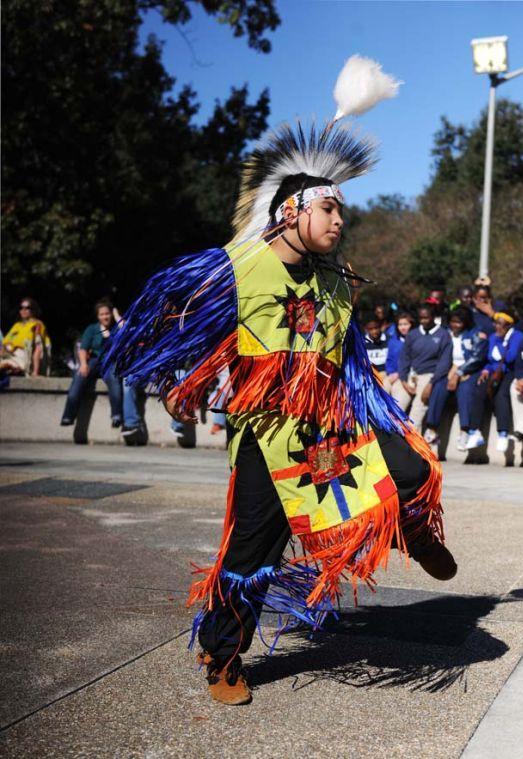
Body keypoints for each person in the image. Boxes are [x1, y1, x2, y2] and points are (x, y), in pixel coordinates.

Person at [104, 107, 456, 706]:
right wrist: (178, 383)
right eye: (329, 208)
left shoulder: (337, 283)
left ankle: (407, 529)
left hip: (331, 427)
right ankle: (222, 657)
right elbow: (170, 320)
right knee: (250, 556)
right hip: (268, 441)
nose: (340, 220)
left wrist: (377, 409)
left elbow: (348, 364)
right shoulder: (235, 269)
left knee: (415, 468)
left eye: (342, 209)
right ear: (291, 211)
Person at [424, 307, 488, 450]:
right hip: (449, 370)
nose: (455, 325)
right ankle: (432, 430)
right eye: (453, 322)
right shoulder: (445, 334)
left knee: (465, 390)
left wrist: (459, 372)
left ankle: (464, 431)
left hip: (469, 370)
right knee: (439, 388)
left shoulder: (476, 334)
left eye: (459, 322)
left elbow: (477, 357)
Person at [466, 311, 523, 451]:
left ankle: (503, 434)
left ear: (509, 326)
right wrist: (486, 369)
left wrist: (502, 342)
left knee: (502, 395)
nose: (497, 327)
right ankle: (474, 431)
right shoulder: (493, 337)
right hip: (493, 371)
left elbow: (510, 357)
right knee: (479, 390)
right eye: (496, 323)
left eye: (501, 324)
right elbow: (490, 359)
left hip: (510, 371)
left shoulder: (517, 337)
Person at [61, 299, 123, 427]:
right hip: (94, 361)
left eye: (107, 313)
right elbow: (83, 349)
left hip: (110, 362)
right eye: (102, 314)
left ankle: (117, 416)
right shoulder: (92, 329)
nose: (105, 316)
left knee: (114, 379)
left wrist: (117, 317)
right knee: (79, 377)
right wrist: (83, 364)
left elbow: (128, 331)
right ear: (98, 316)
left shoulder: (117, 328)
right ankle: (68, 416)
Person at [393, 303, 452, 432]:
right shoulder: (413, 334)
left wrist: (431, 383)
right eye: (421, 318)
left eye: (427, 318)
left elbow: (444, 362)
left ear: (433, 317)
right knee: (395, 410)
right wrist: (403, 380)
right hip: (410, 375)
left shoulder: (443, 335)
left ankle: (415, 448)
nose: (424, 321)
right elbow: (404, 358)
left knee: (416, 414)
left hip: (429, 376)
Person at [1, 298, 51, 376]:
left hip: (24, 356)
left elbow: (38, 347)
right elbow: (4, 343)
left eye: (27, 308)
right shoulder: (17, 325)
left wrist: (35, 372)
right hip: (8, 354)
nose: (23, 310)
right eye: (21, 308)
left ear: (33, 310)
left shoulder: (37, 324)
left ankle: (14, 368)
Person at [364, 319, 388, 384]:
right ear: (366, 329)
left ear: (380, 327)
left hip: (386, 373)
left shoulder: (388, 340)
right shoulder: (363, 343)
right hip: (370, 373)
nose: (374, 331)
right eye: (371, 329)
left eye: (376, 328)